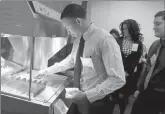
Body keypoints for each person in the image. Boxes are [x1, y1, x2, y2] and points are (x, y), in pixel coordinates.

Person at [36, 4, 125, 114]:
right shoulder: (79, 39)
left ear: (78, 21)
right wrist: (46, 71)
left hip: (97, 102)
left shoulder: (105, 40)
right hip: (79, 96)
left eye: (68, 27)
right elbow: (71, 61)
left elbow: (118, 79)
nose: (68, 32)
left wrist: (87, 95)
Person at [131, 11, 165, 114]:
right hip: (146, 91)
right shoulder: (155, 44)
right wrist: (139, 88)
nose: (154, 27)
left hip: (160, 95)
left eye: (157, 24)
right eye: (154, 24)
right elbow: (147, 67)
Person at [112, 19, 144, 114]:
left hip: (128, 75)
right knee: (114, 96)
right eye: (123, 29)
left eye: (126, 29)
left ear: (132, 29)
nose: (124, 31)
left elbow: (136, 59)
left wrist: (128, 71)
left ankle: (122, 111)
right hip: (116, 73)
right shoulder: (118, 41)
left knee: (123, 96)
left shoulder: (138, 43)